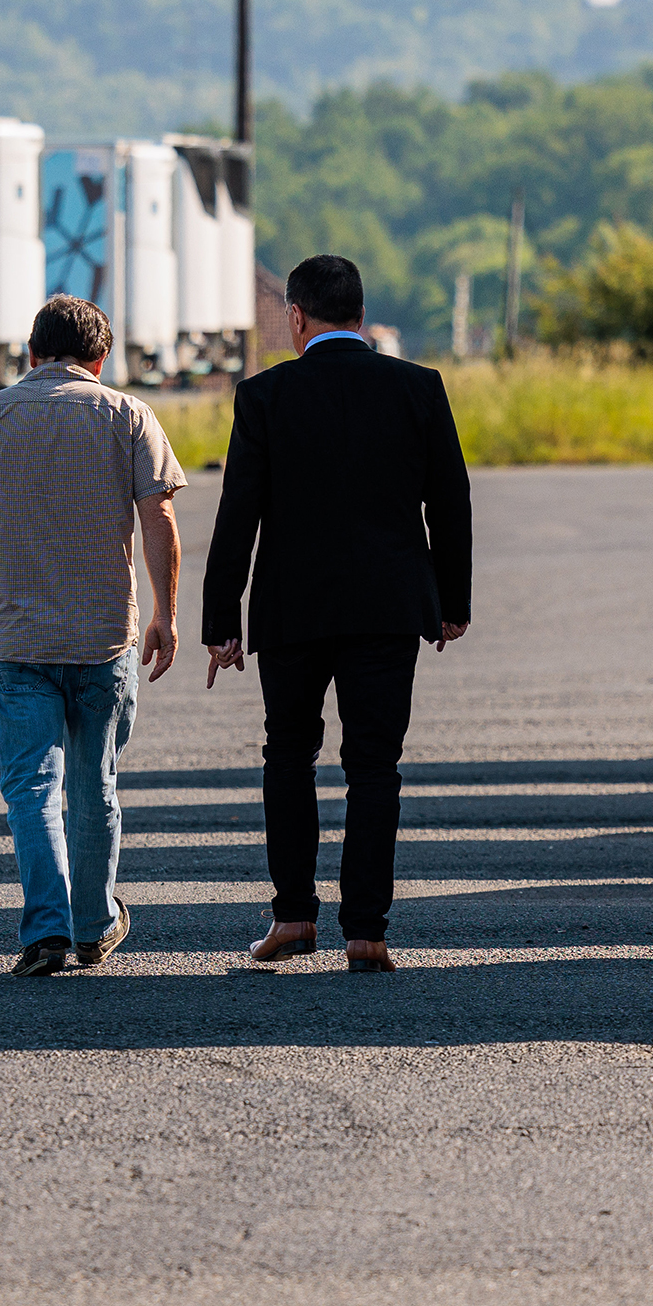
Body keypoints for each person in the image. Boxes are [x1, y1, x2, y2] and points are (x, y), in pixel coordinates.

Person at [200, 254, 473, 973]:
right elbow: (449, 502)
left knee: (288, 755)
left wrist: (221, 621)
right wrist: (452, 602)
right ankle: (367, 932)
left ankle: (292, 917)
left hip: (292, 609)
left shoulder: (264, 395)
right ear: (360, 313)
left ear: (296, 318)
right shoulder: (418, 386)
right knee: (375, 766)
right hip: (388, 607)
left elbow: (238, 516)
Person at [0, 295, 185, 977]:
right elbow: (158, 516)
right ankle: (94, 923)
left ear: (31, 354)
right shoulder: (129, 415)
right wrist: (165, 611)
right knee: (94, 784)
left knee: (31, 788)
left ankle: (44, 929)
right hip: (104, 635)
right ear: (100, 358)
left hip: (16, 638)